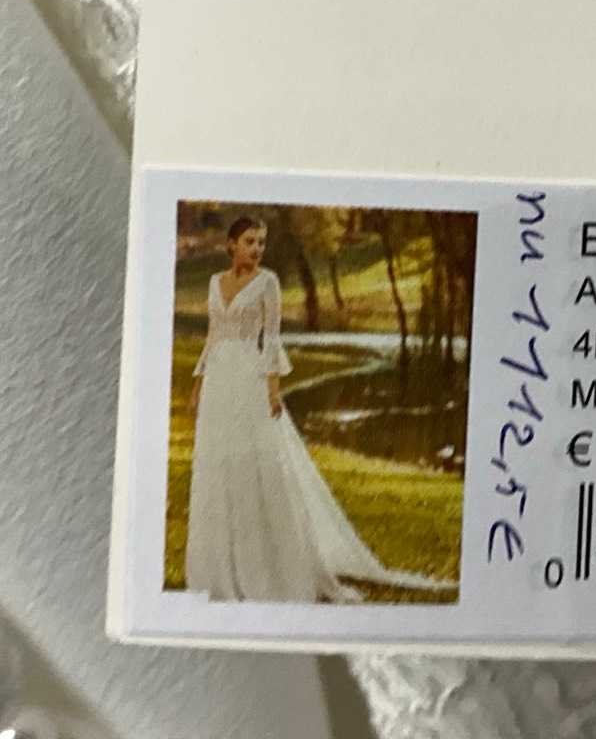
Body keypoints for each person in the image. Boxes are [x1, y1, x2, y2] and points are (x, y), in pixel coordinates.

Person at [184, 215, 452, 602]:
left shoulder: (268, 282)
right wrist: (198, 383)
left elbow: (271, 338)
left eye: (261, 242)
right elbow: (214, 334)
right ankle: (219, 565)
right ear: (231, 245)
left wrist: (273, 390)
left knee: (259, 462)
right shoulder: (214, 283)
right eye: (250, 241)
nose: (257, 249)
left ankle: (266, 560)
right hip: (218, 382)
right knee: (217, 461)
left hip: (249, 377)